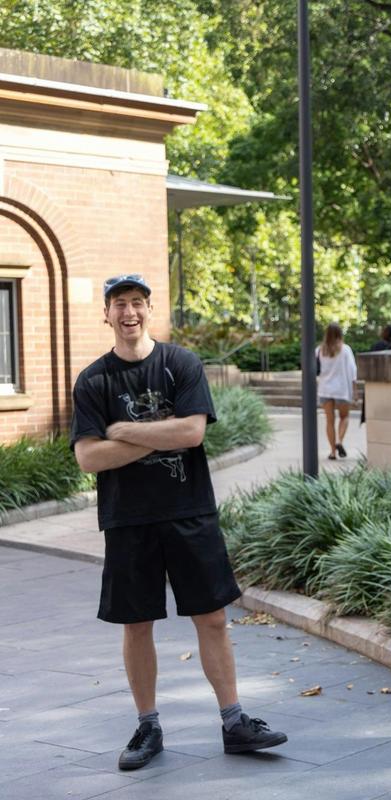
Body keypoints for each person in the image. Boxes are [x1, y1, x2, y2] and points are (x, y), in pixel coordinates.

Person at [70, 274, 287, 772]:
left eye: (137, 303)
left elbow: (191, 432)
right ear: (106, 313)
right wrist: (158, 435)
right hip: (128, 520)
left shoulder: (180, 364)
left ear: (150, 308)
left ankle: (234, 722)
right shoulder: (93, 381)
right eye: (119, 304)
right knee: (136, 623)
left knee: (211, 617)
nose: (129, 313)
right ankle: (148, 726)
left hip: (191, 512)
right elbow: (88, 458)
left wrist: (124, 431)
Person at [316, 323, 357, 460]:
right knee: (344, 417)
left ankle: (333, 451)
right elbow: (352, 371)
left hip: (325, 389)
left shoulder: (320, 350)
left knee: (329, 421)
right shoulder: (345, 350)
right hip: (342, 389)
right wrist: (355, 390)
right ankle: (340, 441)